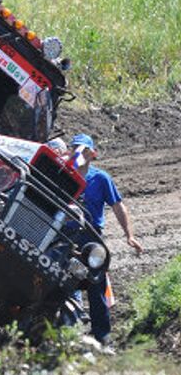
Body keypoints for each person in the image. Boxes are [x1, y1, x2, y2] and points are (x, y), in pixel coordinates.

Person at [68, 134, 143, 348]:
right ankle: (70, 330)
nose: (78, 154)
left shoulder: (100, 178)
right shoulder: (64, 174)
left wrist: (129, 235)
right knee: (62, 280)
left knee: (96, 284)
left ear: (93, 154)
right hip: (65, 234)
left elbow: (118, 206)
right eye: (75, 150)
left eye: (83, 151)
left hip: (91, 236)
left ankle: (102, 336)